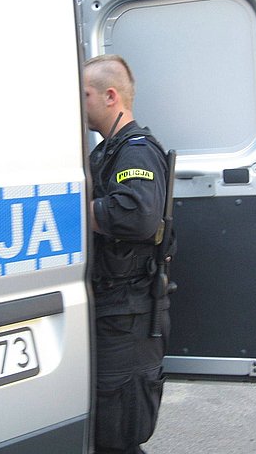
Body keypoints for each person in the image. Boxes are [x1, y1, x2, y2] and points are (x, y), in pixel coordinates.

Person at [84, 54, 171, 454]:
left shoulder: (136, 151)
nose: (78, 104)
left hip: (130, 310)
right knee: (106, 429)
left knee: (119, 432)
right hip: (113, 306)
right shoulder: (107, 151)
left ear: (110, 96)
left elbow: (136, 216)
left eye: (84, 95)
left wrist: (71, 210)